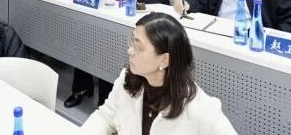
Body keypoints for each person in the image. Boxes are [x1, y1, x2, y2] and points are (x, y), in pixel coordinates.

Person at [81, 12, 237, 135]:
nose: (130, 51)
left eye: (138, 47)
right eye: (132, 42)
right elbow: (105, 117)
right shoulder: (127, 78)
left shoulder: (200, 109)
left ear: (164, 60)